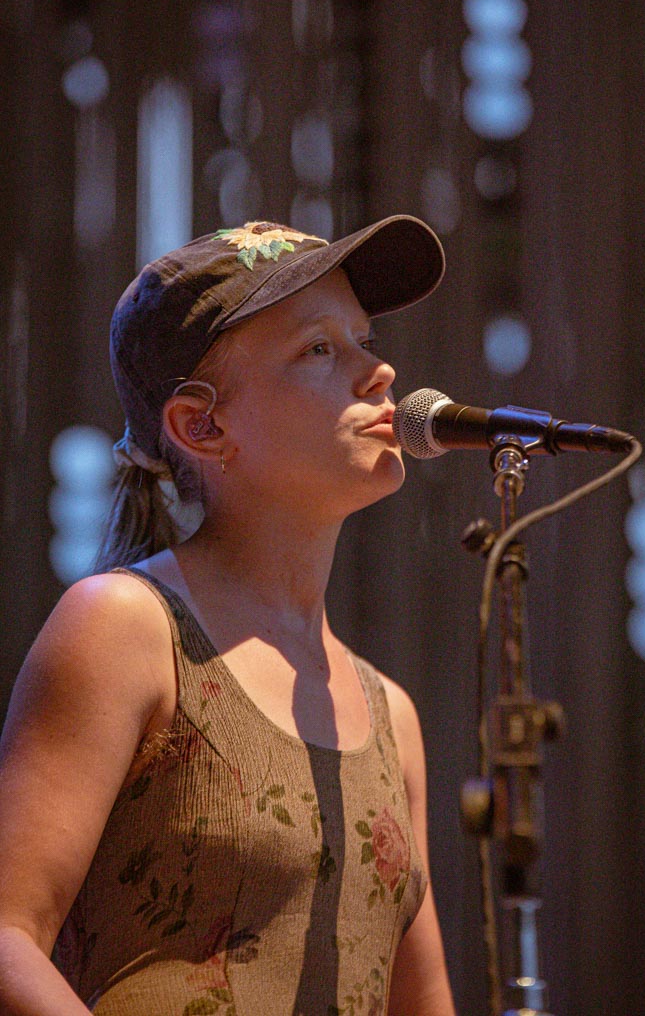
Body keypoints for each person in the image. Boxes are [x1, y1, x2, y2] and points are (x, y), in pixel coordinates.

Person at [0, 215, 456, 1015]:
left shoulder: (393, 714)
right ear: (201, 425)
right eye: (320, 348)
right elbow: (7, 935)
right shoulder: (124, 628)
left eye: (365, 339)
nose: (379, 372)